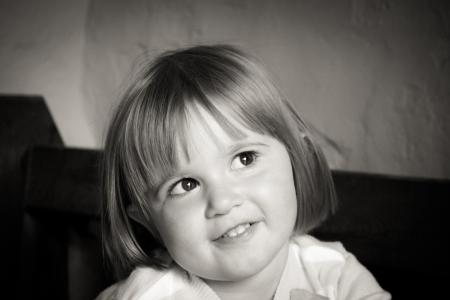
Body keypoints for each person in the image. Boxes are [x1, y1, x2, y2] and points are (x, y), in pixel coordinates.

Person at [97, 45, 390, 300]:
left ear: (295, 156)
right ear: (148, 220)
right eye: (186, 184)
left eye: (245, 158)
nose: (223, 202)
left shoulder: (335, 274)